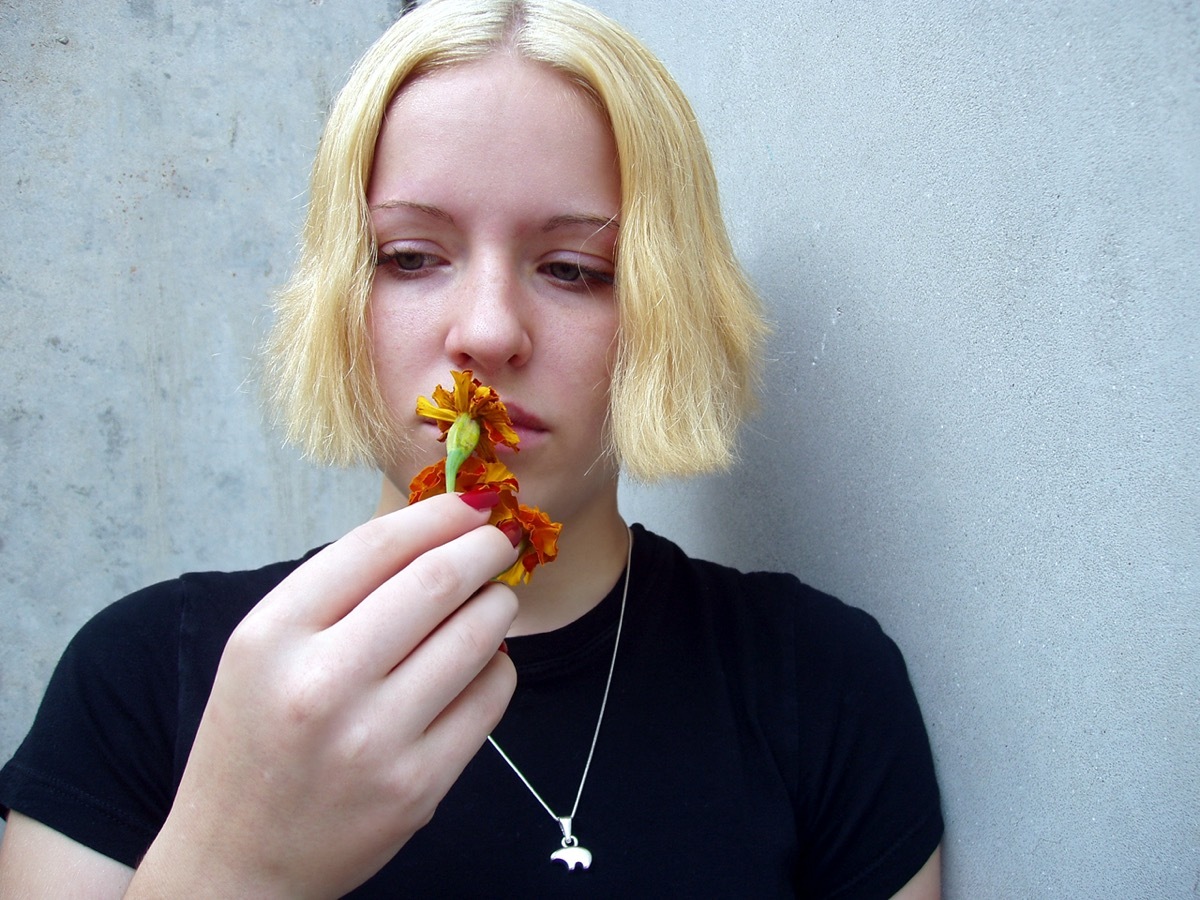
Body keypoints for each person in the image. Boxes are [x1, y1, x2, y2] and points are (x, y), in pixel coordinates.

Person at [0, 0, 943, 896]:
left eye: (574, 269)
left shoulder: (823, 684)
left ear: (667, 309)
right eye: (410, 257)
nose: (489, 332)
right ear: (339, 296)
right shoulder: (138, 679)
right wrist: (235, 867)